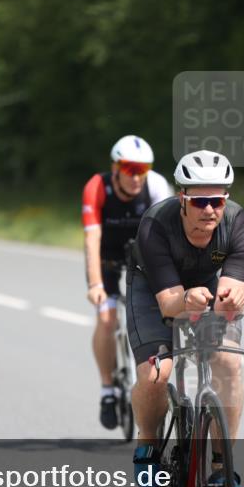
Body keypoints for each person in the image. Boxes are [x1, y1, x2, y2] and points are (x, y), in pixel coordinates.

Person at [127, 150, 244, 487]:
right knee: (157, 372)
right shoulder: (155, 225)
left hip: (206, 285)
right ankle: (147, 445)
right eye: (200, 202)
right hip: (153, 288)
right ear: (181, 198)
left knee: (227, 361)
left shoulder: (239, 224)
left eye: (217, 201)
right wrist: (186, 300)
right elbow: (169, 305)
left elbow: (230, 296)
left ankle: (222, 468)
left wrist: (229, 303)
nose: (209, 210)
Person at [82, 135, 172, 429]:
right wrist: (95, 284)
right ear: (115, 168)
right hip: (106, 258)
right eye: (129, 169)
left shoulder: (156, 186)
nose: (136, 176)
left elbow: (167, 236)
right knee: (107, 319)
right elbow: (91, 238)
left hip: (143, 257)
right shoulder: (97, 187)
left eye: (142, 169)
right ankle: (107, 390)